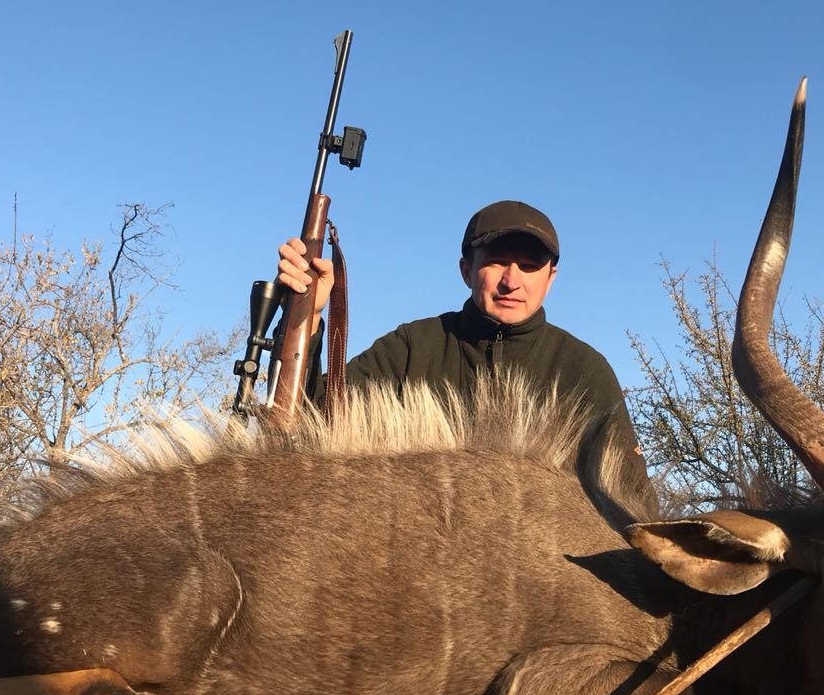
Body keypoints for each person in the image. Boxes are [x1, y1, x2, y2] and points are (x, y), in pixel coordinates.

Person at [275, 199, 652, 498]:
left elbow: (631, 497)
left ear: (550, 277)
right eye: (498, 261)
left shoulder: (584, 369)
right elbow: (315, 418)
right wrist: (308, 317)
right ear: (466, 270)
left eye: (529, 265)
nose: (512, 281)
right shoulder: (412, 346)